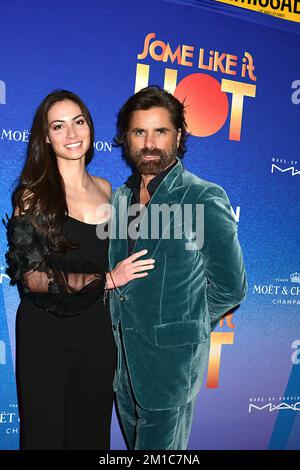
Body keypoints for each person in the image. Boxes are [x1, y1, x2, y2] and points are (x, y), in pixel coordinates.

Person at [3, 90, 154, 450]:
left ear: (90, 127)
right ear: (46, 137)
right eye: (59, 126)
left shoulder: (106, 189)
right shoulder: (32, 194)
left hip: (98, 333)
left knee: (91, 434)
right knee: (46, 437)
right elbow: (35, 280)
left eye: (79, 122)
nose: (72, 134)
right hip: (46, 336)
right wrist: (109, 279)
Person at [108, 85, 248, 450]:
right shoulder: (120, 198)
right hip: (122, 366)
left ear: (179, 135)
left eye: (160, 131)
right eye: (140, 132)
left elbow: (230, 287)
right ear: (127, 138)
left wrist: (184, 326)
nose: (149, 143)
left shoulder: (202, 196)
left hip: (169, 368)